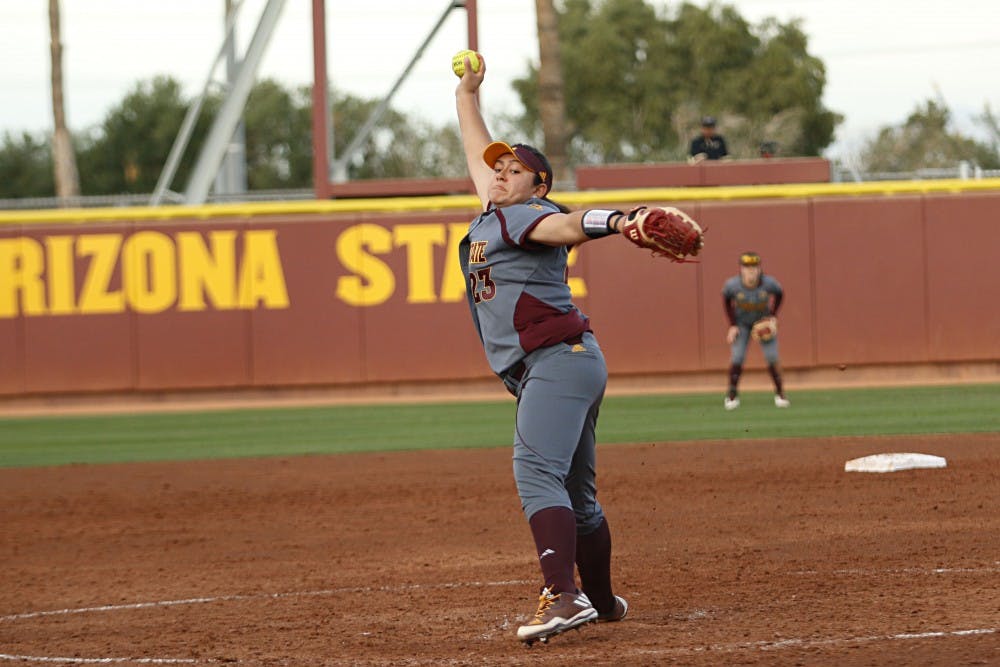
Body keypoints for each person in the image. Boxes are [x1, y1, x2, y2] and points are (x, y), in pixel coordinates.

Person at [454, 51, 639, 645]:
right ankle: (605, 602)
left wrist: (617, 221)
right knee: (576, 495)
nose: (500, 173)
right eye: (497, 169)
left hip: (556, 362)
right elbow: (476, 149)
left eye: (514, 169)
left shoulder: (530, 214)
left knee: (535, 471)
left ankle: (564, 596)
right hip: (572, 362)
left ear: (540, 185)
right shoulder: (494, 212)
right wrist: (467, 95)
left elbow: (566, 225)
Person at [721, 251, 789, 409]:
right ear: (741, 269)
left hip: (762, 323)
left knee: (772, 357)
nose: (751, 270)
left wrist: (773, 315)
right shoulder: (733, 285)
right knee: (737, 357)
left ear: (759, 269)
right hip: (742, 323)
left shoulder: (768, 283)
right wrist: (732, 325)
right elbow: (726, 299)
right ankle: (731, 396)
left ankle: (780, 394)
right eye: (747, 267)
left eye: (754, 267)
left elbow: (779, 293)